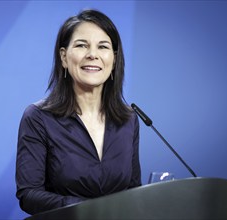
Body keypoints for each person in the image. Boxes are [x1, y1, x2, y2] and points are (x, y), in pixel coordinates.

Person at [16, 9, 141, 215]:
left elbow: (134, 190)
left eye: (103, 47)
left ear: (114, 60)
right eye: (82, 45)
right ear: (64, 57)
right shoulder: (38, 117)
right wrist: (90, 210)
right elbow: (29, 195)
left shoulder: (129, 119)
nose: (93, 54)